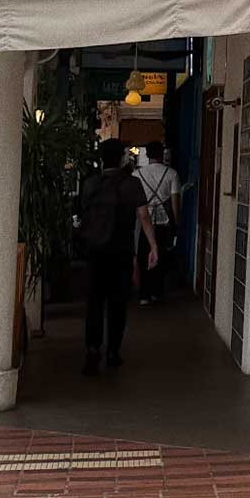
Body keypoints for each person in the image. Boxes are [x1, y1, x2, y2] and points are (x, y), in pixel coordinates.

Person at [75, 139, 157, 375]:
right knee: (117, 303)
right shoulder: (132, 184)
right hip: (121, 251)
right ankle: (113, 351)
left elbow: (83, 216)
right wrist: (153, 246)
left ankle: (92, 349)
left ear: (102, 158)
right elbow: (143, 216)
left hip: (95, 252)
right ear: (122, 158)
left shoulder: (90, 184)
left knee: (94, 302)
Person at [134, 141, 180, 305]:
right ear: (162, 154)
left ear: (146, 155)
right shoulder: (172, 174)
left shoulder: (136, 175)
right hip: (163, 222)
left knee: (142, 255)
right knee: (161, 256)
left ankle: (143, 294)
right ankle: (156, 292)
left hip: (143, 222)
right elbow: (175, 202)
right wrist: (176, 222)